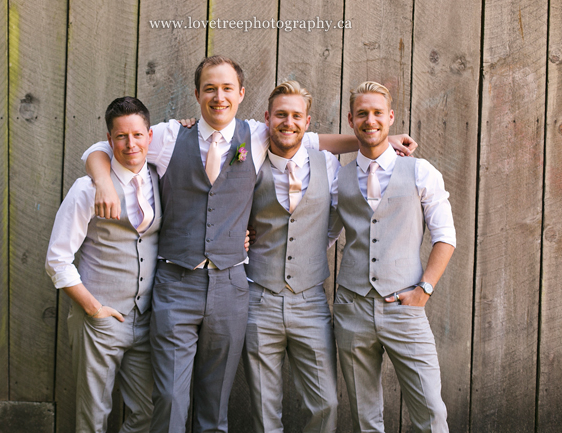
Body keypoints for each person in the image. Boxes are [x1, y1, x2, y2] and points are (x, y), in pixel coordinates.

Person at [81, 55, 416, 433]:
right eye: (210, 88)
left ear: (241, 94)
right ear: (196, 93)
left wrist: (382, 138)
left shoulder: (256, 134)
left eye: (227, 89)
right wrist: (104, 181)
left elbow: (317, 140)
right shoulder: (172, 136)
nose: (218, 97)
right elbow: (106, 145)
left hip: (230, 285)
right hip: (175, 283)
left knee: (215, 401)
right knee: (171, 399)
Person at [333, 81, 456, 433]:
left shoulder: (421, 171)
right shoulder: (338, 177)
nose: (369, 120)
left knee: (431, 413)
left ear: (390, 118)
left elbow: (445, 237)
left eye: (376, 113)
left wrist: (424, 290)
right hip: (351, 309)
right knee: (365, 417)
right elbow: (320, 234)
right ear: (351, 120)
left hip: (405, 307)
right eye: (361, 114)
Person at [45, 97, 160, 433]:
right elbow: (57, 259)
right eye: (121, 137)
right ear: (109, 141)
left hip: (146, 320)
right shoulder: (87, 189)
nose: (130, 144)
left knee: (148, 412)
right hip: (99, 320)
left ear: (149, 137)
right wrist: (93, 308)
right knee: (93, 417)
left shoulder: (160, 179)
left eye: (137, 135)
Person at [242, 80, 341, 433]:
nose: (288, 122)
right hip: (258, 296)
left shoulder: (328, 164)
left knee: (326, 402)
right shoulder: (249, 161)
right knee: (265, 411)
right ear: (267, 118)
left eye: (296, 116)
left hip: (310, 300)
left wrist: (309, 251)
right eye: (281, 114)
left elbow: (336, 220)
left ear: (308, 121)